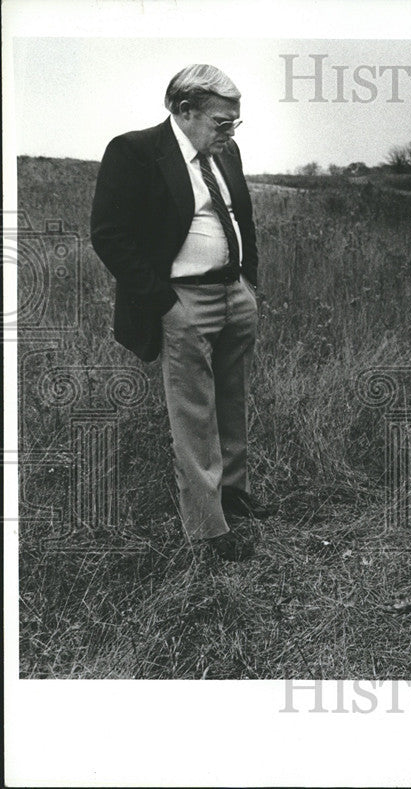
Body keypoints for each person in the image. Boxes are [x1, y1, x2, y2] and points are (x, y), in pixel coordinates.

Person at [91, 64, 273, 561]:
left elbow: (243, 217)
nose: (229, 132)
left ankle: (233, 493)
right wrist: (165, 305)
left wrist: (247, 282)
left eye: (235, 122)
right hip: (182, 301)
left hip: (234, 295)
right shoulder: (134, 151)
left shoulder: (226, 151)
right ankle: (208, 529)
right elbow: (108, 235)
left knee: (233, 398)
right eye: (221, 121)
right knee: (193, 414)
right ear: (184, 110)